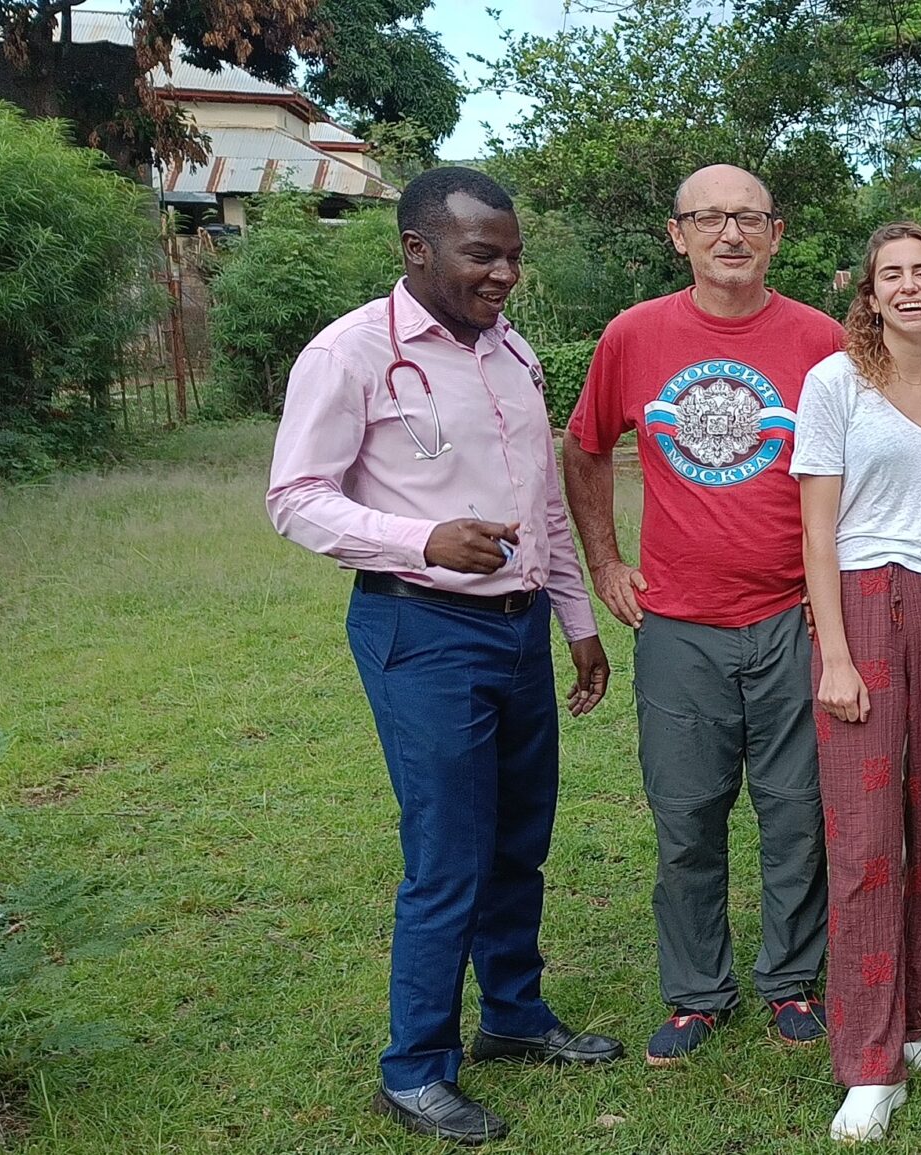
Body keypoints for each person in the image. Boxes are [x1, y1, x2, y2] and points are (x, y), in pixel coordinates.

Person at [265, 166, 622, 1145]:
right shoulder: (350, 354)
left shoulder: (514, 352)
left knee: (519, 837)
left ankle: (513, 1015)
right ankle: (416, 1068)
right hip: (421, 629)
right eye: (482, 255)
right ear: (416, 250)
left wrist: (576, 621)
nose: (504, 274)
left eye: (512, 256)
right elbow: (294, 497)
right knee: (448, 854)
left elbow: (542, 501)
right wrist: (420, 539)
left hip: (518, 630)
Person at [562, 164, 843, 1066]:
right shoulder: (635, 334)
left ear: (777, 234)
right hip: (679, 624)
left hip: (792, 617)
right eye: (710, 218)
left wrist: (833, 594)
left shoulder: (823, 341)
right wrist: (606, 560)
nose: (731, 233)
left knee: (798, 812)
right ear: (677, 234)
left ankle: (793, 980)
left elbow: (860, 467)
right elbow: (585, 445)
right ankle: (696, 993)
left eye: (749, 218)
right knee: (686, 816)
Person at [792, 221, 921, 1144]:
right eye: (890, 275)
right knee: (866, 837)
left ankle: (920, 1013)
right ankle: (869, 1062)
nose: (909, 286)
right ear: (868, 295)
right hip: (864, 603)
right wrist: (835, 653)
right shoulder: (836, 382)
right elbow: (816, 529)